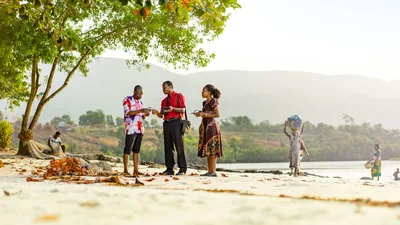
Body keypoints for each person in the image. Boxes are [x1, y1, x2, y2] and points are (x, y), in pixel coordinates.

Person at [152, 81, 188, 176]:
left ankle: (183, 168)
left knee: (179, 146)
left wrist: (173, 109)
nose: (163, 89)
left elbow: (183, 109)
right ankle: (169, 168)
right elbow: (161, 115)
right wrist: (157, 113)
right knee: (168, 146)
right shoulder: (163, 101)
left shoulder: (179, 96)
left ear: (170, 87)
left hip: (176, 122)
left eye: (164, 87)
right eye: (162, 88)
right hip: (166, 123)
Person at [195, 84, 223, 177]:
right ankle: (209, 171)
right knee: (207, 150)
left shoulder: (213, 101)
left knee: (213, 149)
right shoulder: (204, 103)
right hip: (205, 127)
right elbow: (206, 113)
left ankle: (213, 171)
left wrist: (205, 114)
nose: (202, 93)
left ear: (209, 92)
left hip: (212, 128)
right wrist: (200, 114)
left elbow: (217, 114)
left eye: (204, 91)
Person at [122, 85, 150, 176]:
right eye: (139, 93)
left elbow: (142, 116)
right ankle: (126, 170)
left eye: (142, 94)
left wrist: (145, 114)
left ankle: (136, 169)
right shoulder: (127, 99)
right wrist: (140, 110)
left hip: (139, 128)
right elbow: (128, 113)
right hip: (130, 127)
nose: (141, 95)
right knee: (127, 149)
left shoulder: (140, 102)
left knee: (136, 150)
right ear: (135, 92)